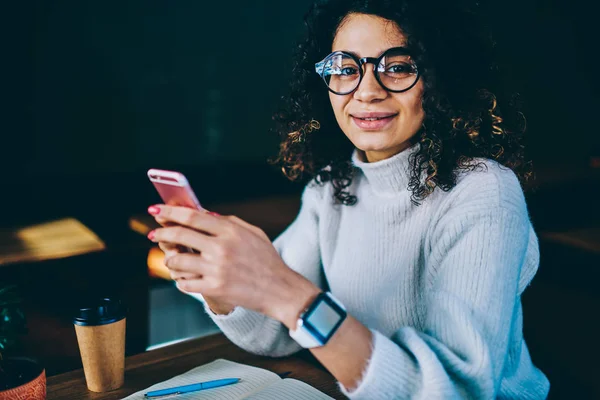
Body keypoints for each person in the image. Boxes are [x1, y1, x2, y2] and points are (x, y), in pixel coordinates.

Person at [146, 0, 550, 398]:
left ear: (442, 79)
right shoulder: (331, 188)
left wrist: (286, 292)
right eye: (345, 68)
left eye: (398, 67)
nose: (367, 91)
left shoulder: (483, 191)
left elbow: (457, 391)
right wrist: (216, 280)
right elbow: (271, 333)